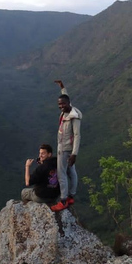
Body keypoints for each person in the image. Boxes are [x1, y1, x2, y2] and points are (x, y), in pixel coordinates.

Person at [50, 80, 82, 212]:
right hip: (63, 147)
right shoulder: (68, 109)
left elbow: (77, 135)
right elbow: (66, 97)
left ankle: (63, 200)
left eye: (63, 104)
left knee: (61, 173)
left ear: (68, 104)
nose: (61, 106)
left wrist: (74, 153)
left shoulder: (74, 117)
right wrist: (62, 88)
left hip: (66, 149)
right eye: (59, 104)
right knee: (71, 171)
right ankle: (71, 196)